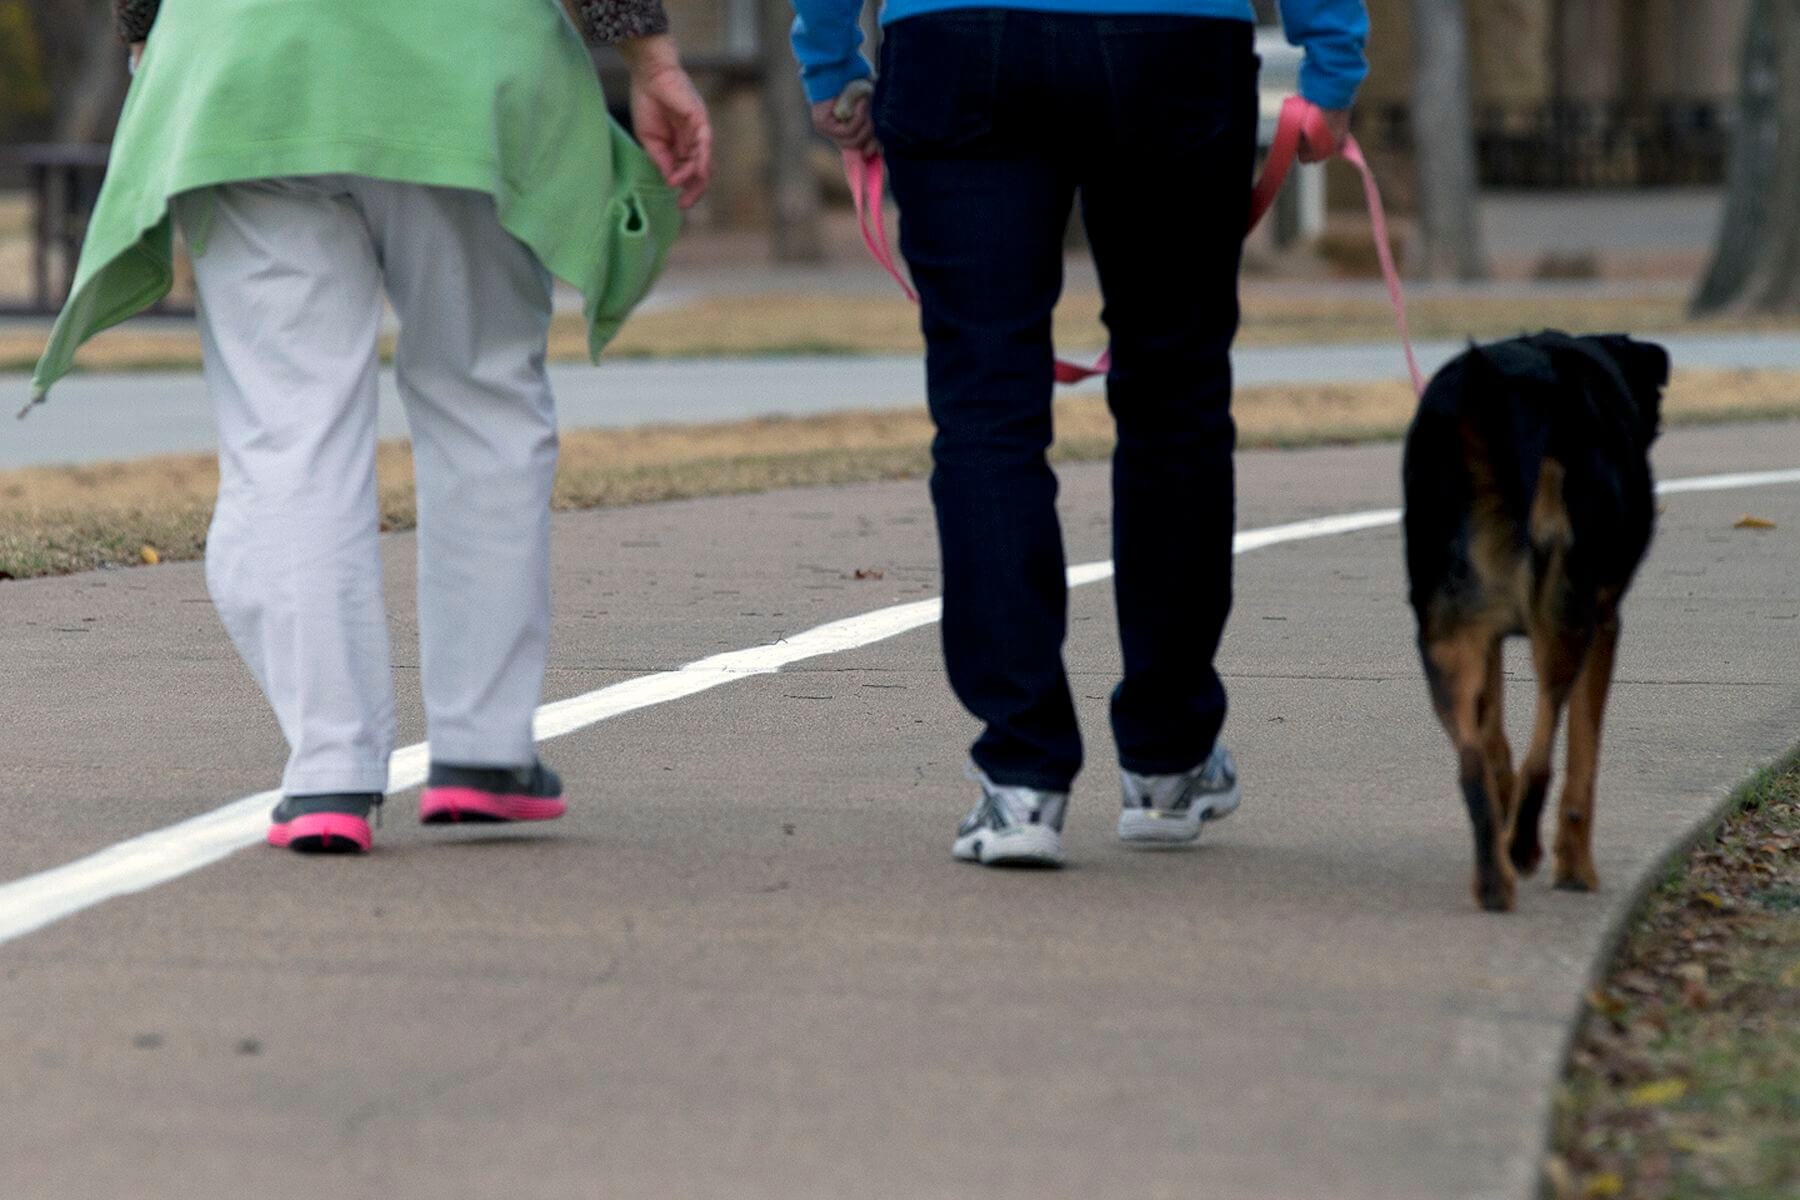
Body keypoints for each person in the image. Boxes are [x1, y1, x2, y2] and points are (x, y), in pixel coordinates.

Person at [29, 0, 712, 853]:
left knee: (289, 429)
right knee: (484, 401)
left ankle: (329, 767)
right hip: (465, 63)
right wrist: (651, 57)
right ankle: (485, 751)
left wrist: (142, 30)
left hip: (247, 61)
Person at [790, 0, 1367, 865]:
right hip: (1173, 40)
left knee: (985, 407)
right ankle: (1168, 759)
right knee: (1175, 397)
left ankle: (1021, 778)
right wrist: (1333, 60)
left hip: (957, 38)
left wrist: (830, 58)